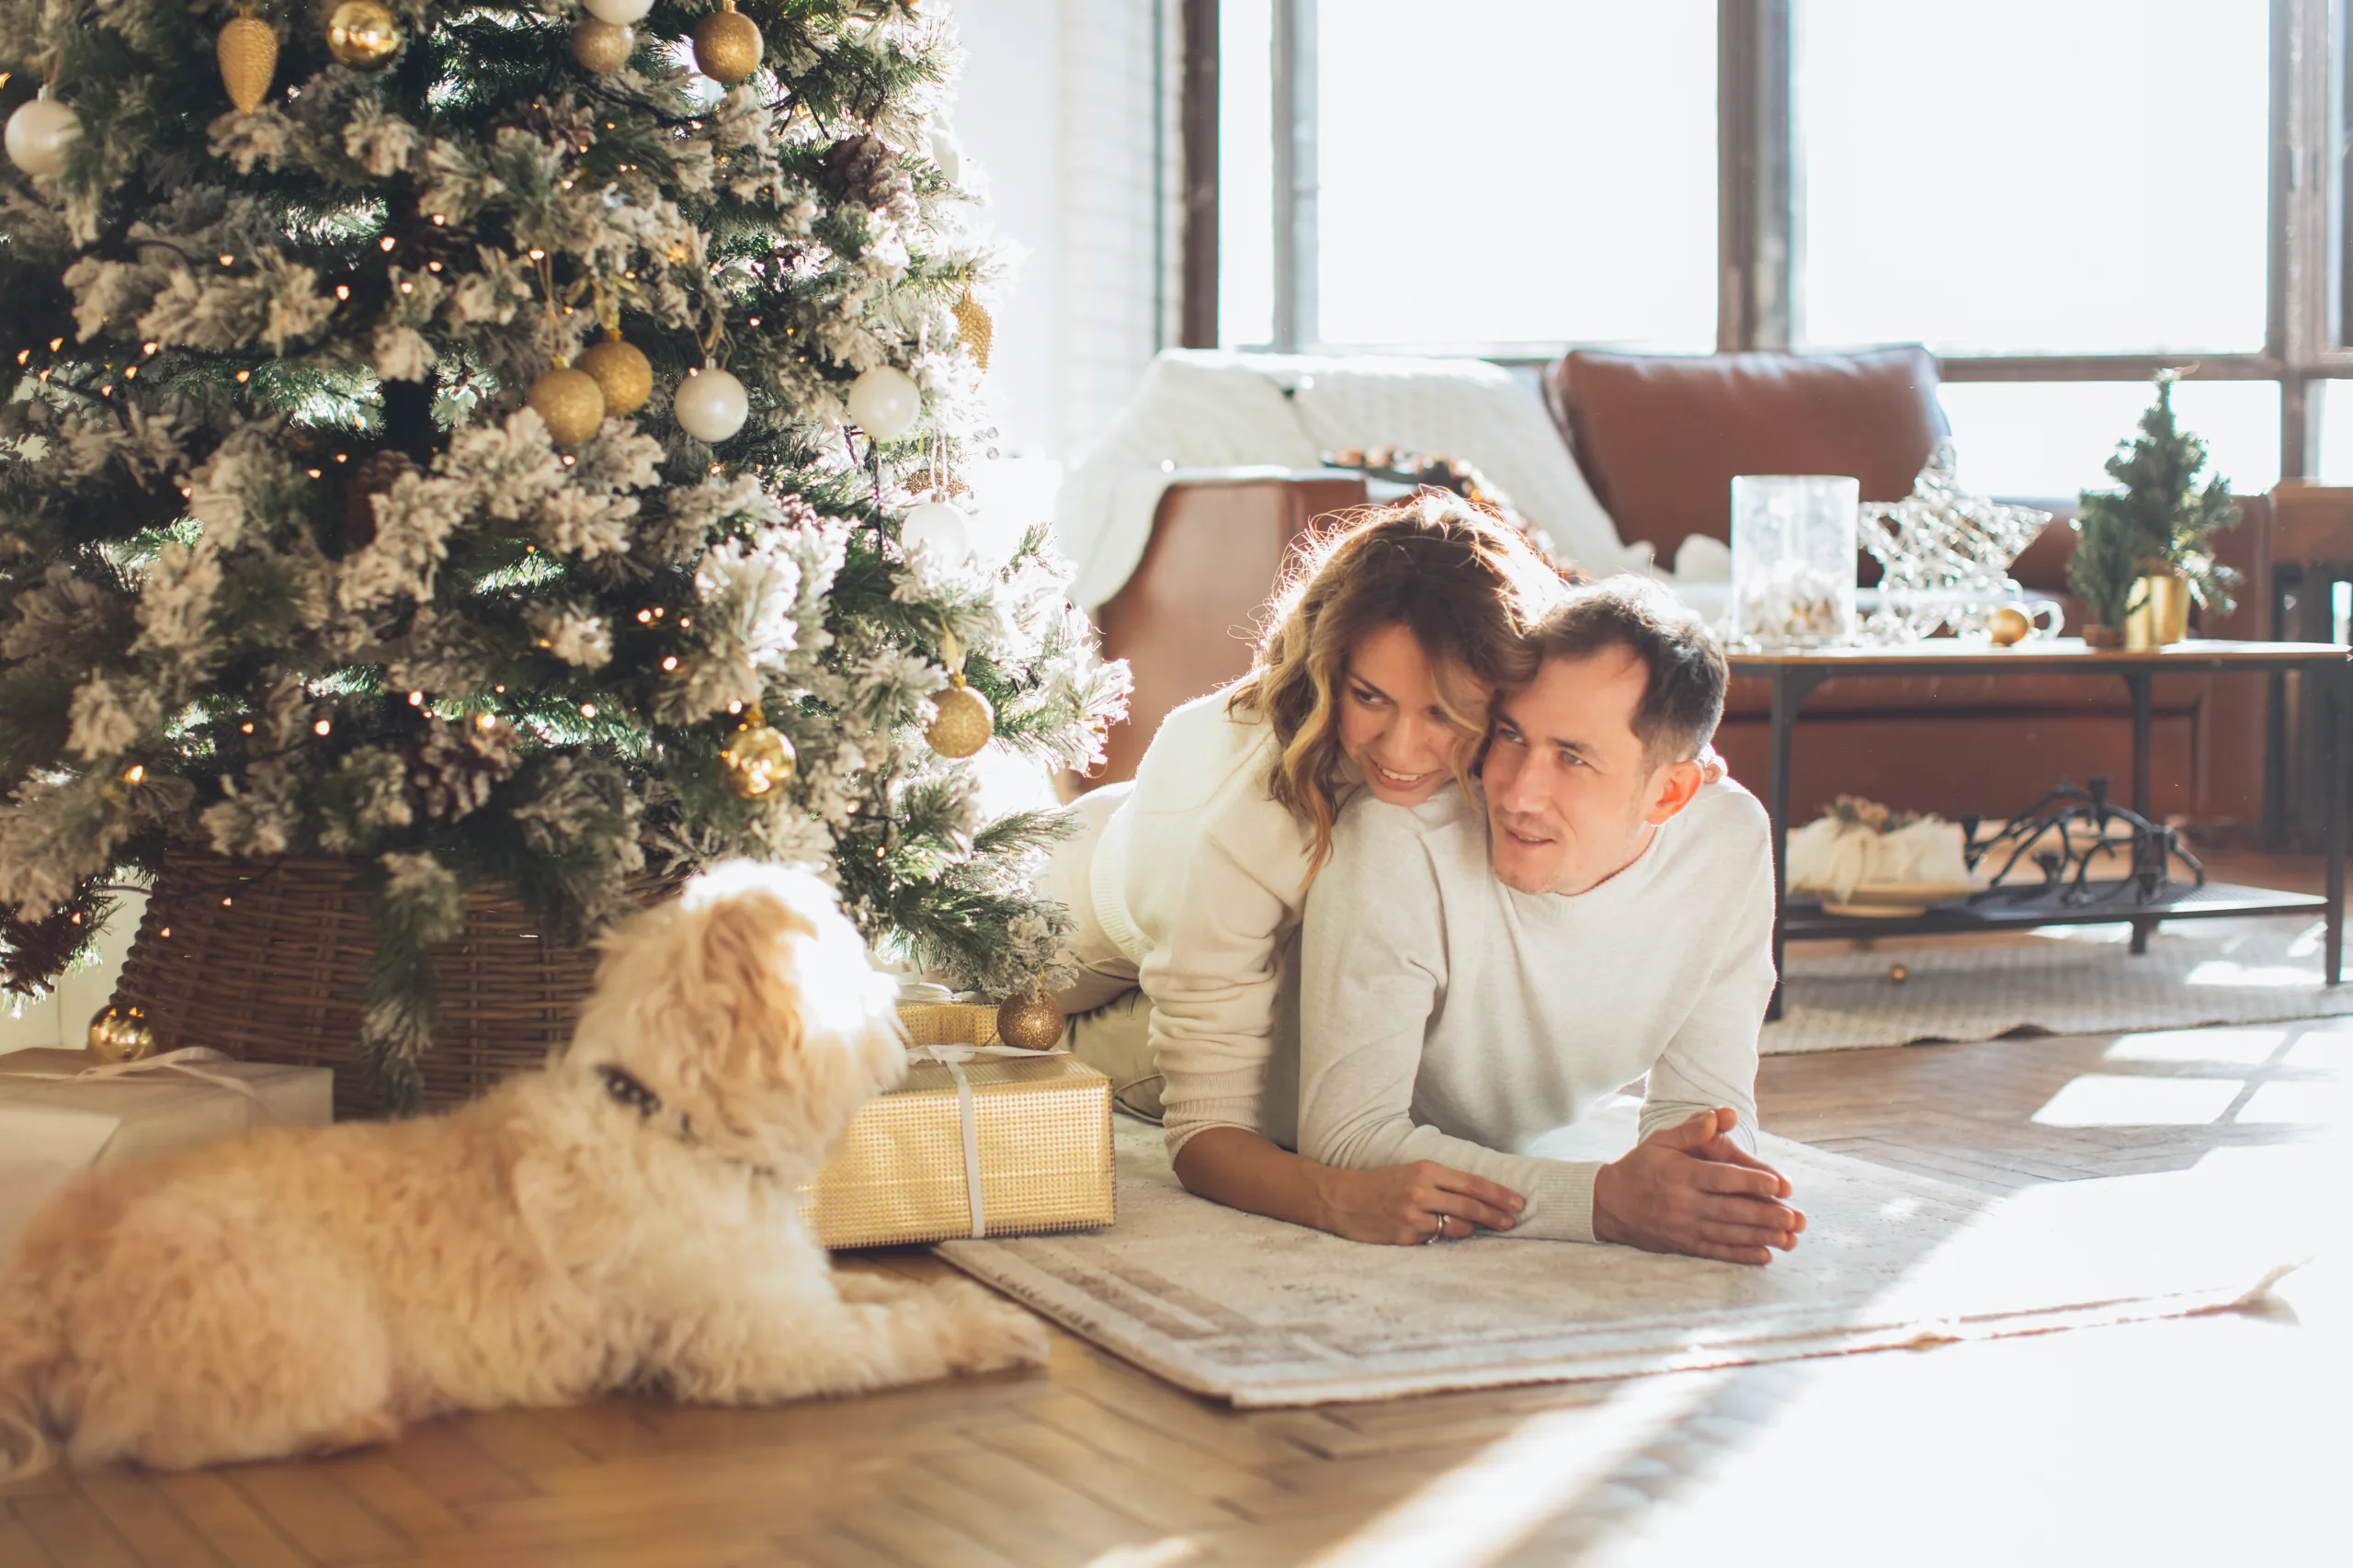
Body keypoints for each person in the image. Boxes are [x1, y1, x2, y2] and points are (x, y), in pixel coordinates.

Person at [1043, 491, 1571, 1244]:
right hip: (1083, 904)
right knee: (973, 1013)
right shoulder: (1241, 823)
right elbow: (1204, 1133)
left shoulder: (1512, 738)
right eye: (1369, 698)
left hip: (1237, 934)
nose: (1400, 750)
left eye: (1444, 713)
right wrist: (1339, 1199)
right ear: (1327, 669)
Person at [1294, 576, 1805, 1263]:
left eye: (1572, 757)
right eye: (1510, 735)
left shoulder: (1725, 838)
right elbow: (1347, 1137)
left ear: (1672, 791)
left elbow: (1706, 1103)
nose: (1517, 792)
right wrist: (1597, 1202)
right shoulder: (1401, 838)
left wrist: (1706, 1187)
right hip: (1151, 1013)